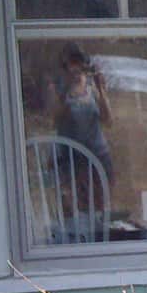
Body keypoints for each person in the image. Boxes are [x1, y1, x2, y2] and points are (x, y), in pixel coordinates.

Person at [46, 42, 114, 212]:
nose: (76, 69)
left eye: (79, 64)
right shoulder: (56, 87)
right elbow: (55, 118)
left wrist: (101, 89)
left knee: (98, 207)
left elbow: (108, 120)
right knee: (71, 207)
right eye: (71, 64)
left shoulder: (92, 86)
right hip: (69, 157)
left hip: (97, 155)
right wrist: (67, 90)